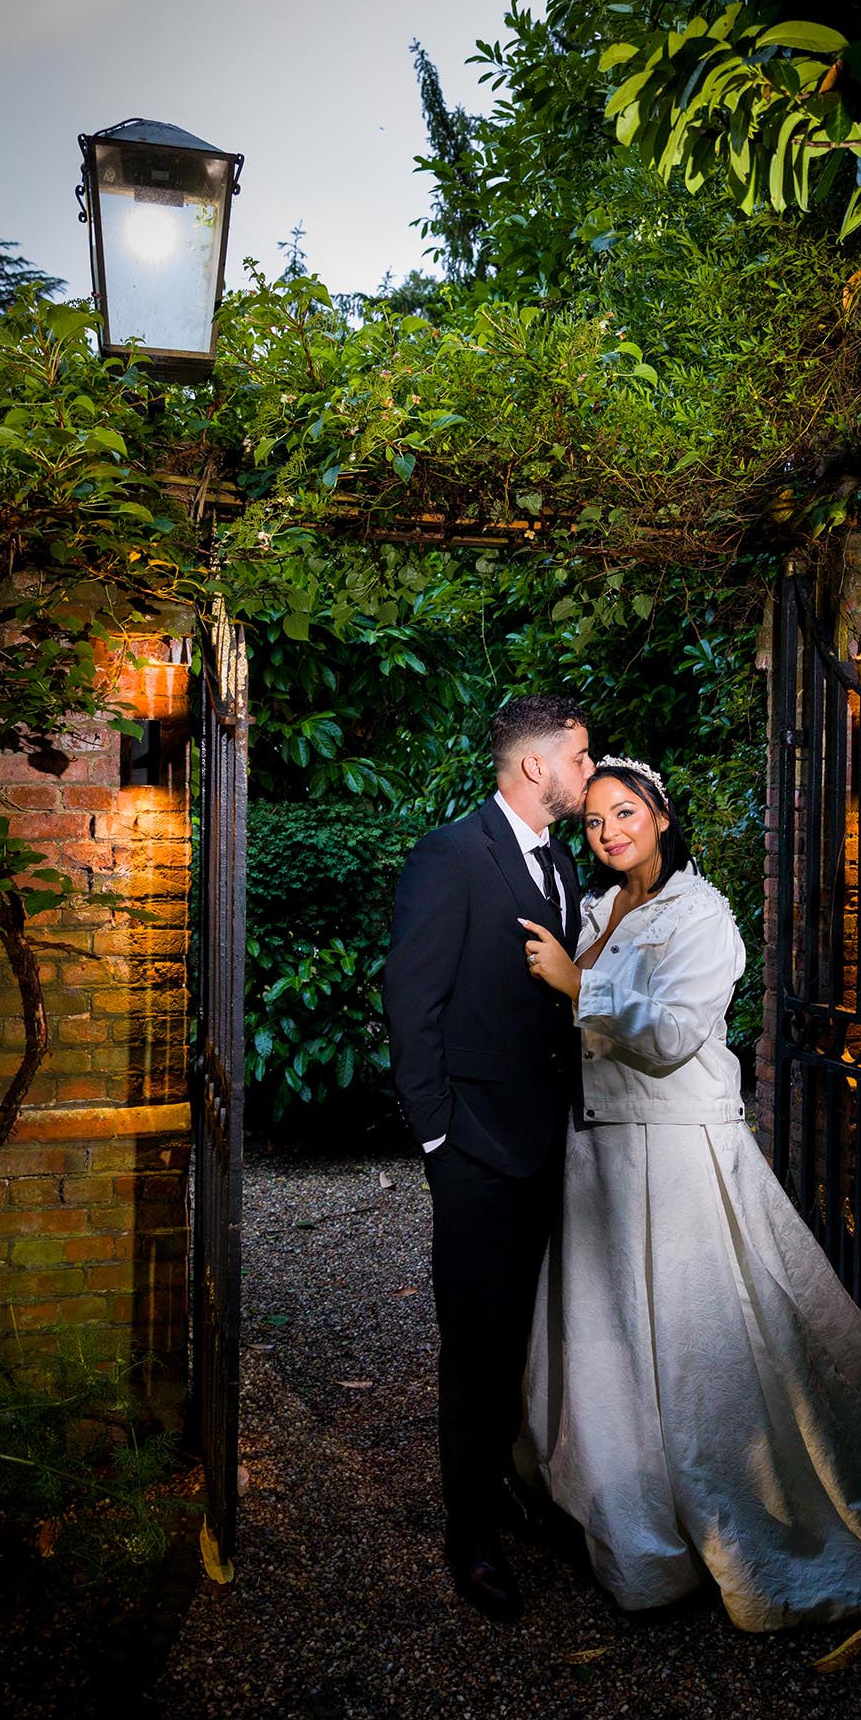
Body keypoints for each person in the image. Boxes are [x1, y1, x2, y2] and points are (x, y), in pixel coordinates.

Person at [519, 757, 861, 1629]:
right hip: (597, 1153)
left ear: (662, 817)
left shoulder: (703, 915)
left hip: (673, 1156)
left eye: (624, 812)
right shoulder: (599, 909)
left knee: (695, 1341)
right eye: (595, 820)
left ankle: (740, 1517)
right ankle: (628, 1520)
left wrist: (578, 985)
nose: (608, 832)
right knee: (610, 1344)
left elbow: (677, 1034)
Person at [382, 695, 594, 1623]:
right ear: (533, 768)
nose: (591, 775)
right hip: (473, 1147)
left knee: (517, 1333)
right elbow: (409, 998)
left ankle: (504, 1482)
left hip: (549, 1142)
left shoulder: (561, 861)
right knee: (473, 1345)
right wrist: (437, 1134)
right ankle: (466, 1529)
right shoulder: (451, 855)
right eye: (581, 759)